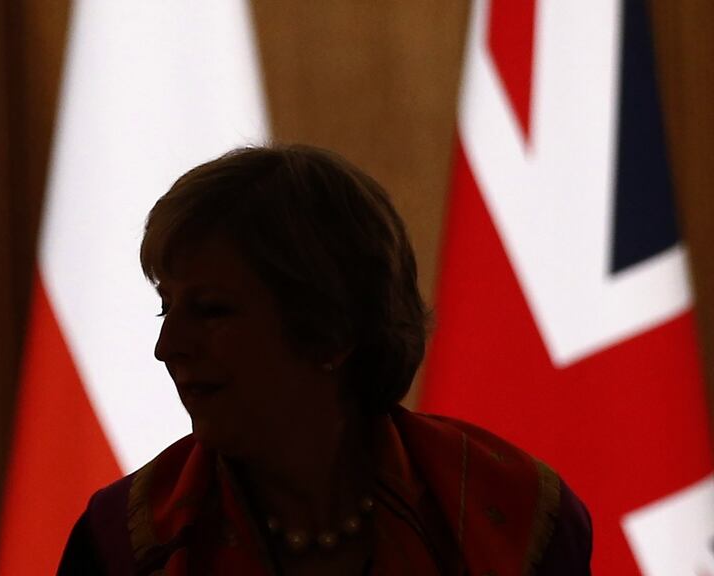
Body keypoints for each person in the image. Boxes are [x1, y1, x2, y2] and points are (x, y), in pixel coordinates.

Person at [58, 145, 592, 575]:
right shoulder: (125, 543)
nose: (168, 346)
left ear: (330, 330)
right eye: (166, 308)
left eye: (212, 310)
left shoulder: (512, 517)